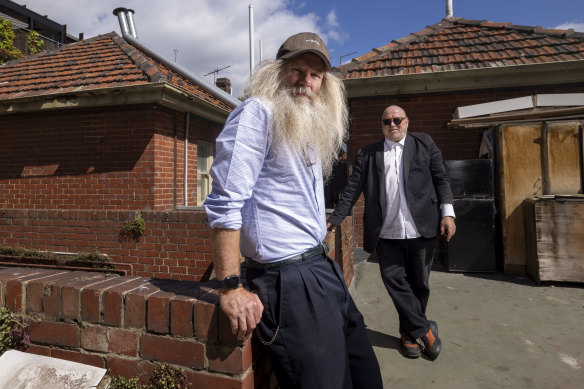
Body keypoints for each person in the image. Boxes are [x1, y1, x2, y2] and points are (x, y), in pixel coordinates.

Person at [203, 32, 383, 389]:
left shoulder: (309, 122)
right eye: (298, 69)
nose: (306, 81)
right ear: (278, 71)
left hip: (322, 269)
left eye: (315, 75)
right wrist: (229, 287)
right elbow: (225, 202)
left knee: (366, 376)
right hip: (287, 281)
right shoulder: (258, 113)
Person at [327, 105, 456, 360]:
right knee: (394, 281)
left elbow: (441, 179)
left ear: (406, 122)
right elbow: (353, 188)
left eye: (397, 120)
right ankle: (425, 331)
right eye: (387, 121)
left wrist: (448, 213)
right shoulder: (368, 153)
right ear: (382, 125)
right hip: (387, 233)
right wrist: (337, 217)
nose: (393, 124)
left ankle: (408, 335)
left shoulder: (424, 144)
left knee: (419, 285)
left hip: (421, 228)